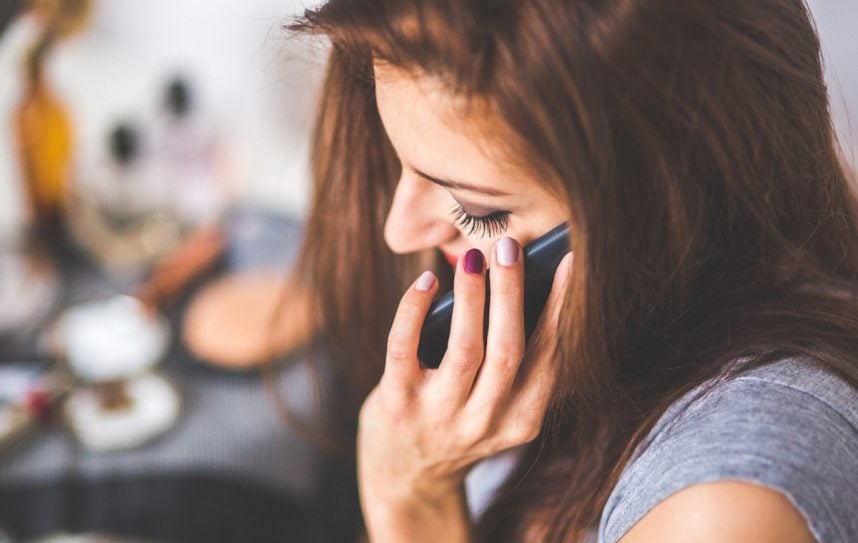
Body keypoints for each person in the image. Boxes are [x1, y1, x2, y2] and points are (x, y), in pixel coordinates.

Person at [274, 0, 858, 541]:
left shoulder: (728, 511)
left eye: (479, 210)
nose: (397, 231)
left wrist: (411, 501)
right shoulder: (599, 340)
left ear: (671, 211)